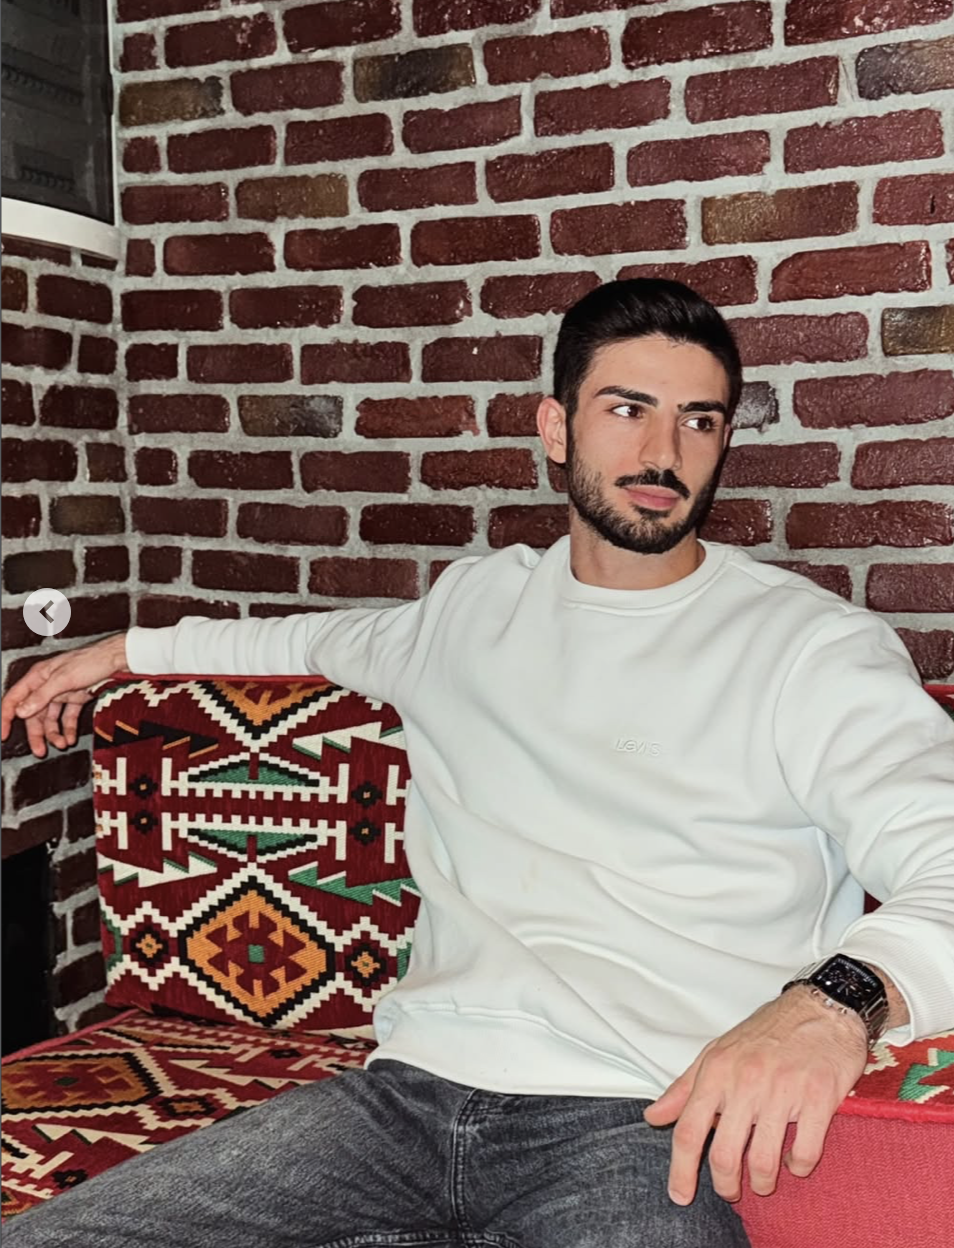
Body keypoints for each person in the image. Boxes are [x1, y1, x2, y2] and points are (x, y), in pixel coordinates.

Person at [3, 279, 952, 1248]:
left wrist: (832, 1006)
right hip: (400, 1107)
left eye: (698, 421)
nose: (664, 453)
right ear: (556, 428)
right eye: (628, 410)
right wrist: (121, 653)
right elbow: (307, 639)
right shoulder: (469, 612)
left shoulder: (810, 650)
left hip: (637, 1119)